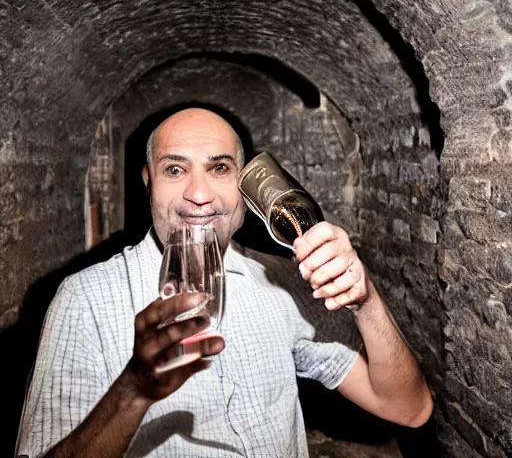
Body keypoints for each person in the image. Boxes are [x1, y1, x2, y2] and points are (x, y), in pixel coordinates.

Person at [16, 107, 433, 458]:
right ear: (149, 182)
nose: (199, 193)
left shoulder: (283, 281)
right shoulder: (86, 298)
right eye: (175, 169)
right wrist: (133, 391)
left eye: (219, 168)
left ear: (246, 188)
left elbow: (408, 408)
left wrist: (365, 301)